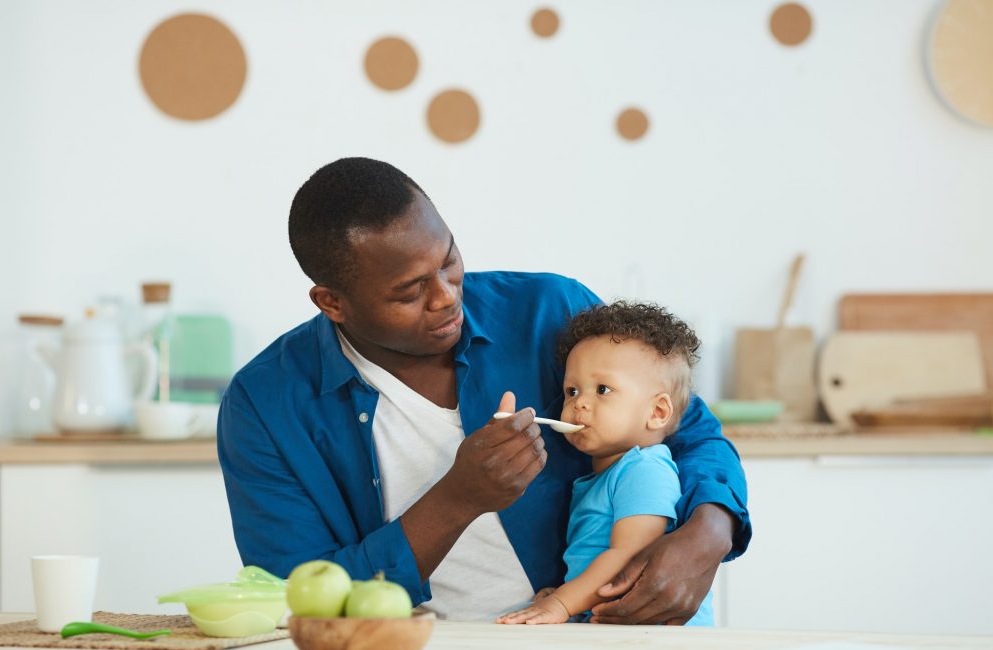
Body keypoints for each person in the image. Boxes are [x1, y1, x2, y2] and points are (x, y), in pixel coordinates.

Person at [218, 157, 750, 623]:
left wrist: (708, 536)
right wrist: (458, 499)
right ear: (331, 302)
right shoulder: (265, 405)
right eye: (409, 291)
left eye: (448, 260)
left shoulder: (550, 311)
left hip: (586, 647)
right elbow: (299, 600)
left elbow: (689, 430)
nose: (447, 297)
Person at [497, 302, 713, 625]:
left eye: (602, 389)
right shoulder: (602, 476)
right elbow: (594, 556)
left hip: (657, 642)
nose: (579, 402)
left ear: (657, 412)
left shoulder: (646, 470)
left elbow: (628, 558)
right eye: (572, 391)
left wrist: (561, 603)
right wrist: (565, 593)